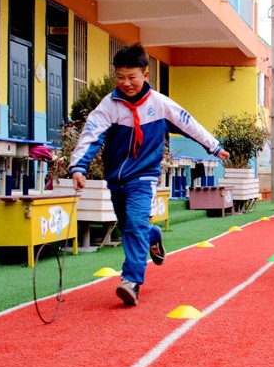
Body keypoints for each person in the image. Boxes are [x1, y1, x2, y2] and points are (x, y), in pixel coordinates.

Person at [70, 43, 229, 306]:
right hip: (116, 178)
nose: (126, 83)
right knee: (128, 226)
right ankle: (153, 235)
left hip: (144, 176)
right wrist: (78, 167)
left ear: (145, 75)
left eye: (131, 77)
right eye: (120, 77)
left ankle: (131, 281)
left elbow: (188, 123)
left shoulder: (159, 104)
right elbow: (91, 136)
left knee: (134, 224)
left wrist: (214, 146)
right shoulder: (109, 105)